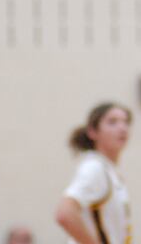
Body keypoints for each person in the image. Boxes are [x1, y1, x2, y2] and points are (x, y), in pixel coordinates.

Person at [56, 103, 133, 244]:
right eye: (113, 122)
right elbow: (65, 213)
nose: (122, 128)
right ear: (92, 131)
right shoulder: (95, 168)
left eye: (126, 122)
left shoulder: (109, 171)